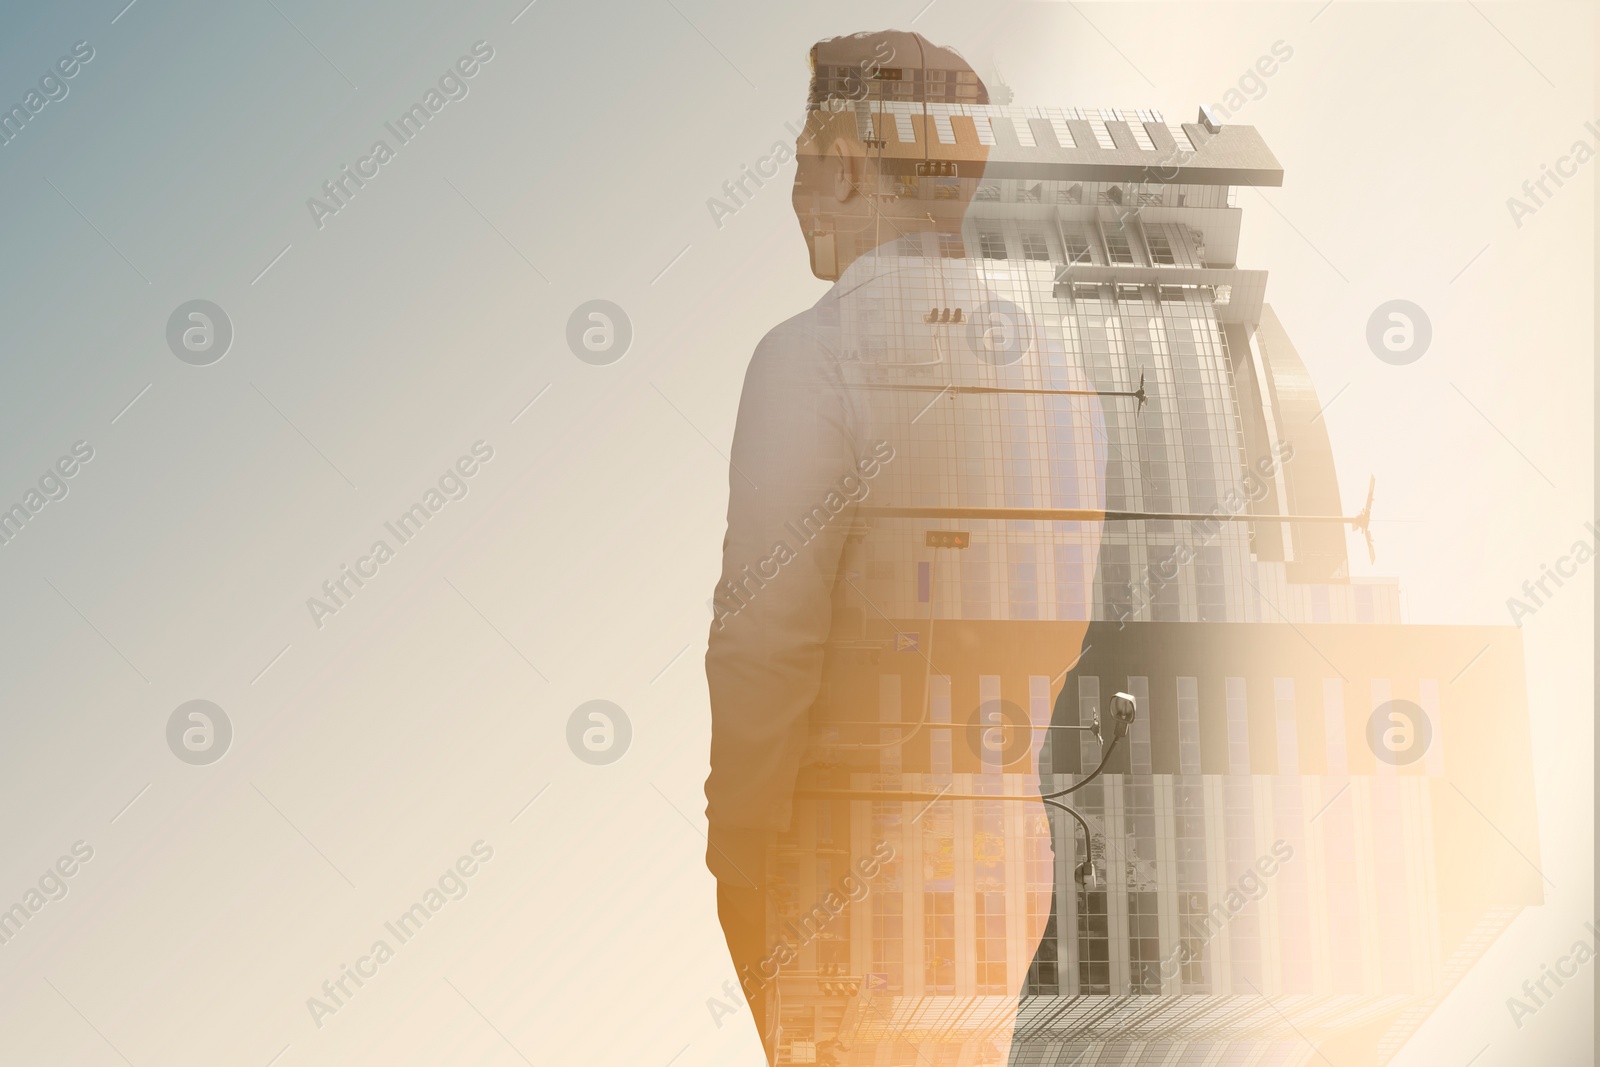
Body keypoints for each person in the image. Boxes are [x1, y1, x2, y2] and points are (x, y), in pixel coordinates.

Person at [704, 30, 1106, 1065]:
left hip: (842, 858)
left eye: (802, 158)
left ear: (844, 160)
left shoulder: (810, 355)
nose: (794, 187)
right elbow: (1058, 631)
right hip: (997, 855)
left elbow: (766, 636)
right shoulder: (1060, 375)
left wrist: (739, 845)